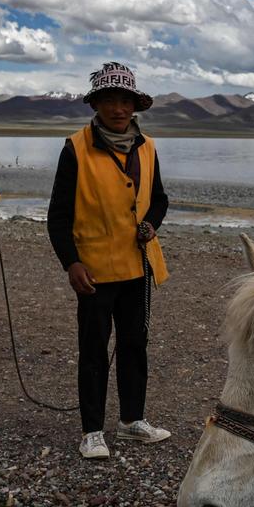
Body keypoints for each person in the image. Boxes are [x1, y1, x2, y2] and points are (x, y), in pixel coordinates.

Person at [47, 62, 172, 460]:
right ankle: (92, 430)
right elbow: (58, 215)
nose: (118, 108)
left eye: (125, 101)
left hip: (138, 266)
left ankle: (132, 421)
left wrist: (151, 224)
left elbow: (160, 199)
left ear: (134, 106)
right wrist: (71, 263)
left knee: (136, 345)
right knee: (94, 348)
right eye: (109, 100)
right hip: (95, 270)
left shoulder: (147, 147)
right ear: (96, 105)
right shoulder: (76, 148)